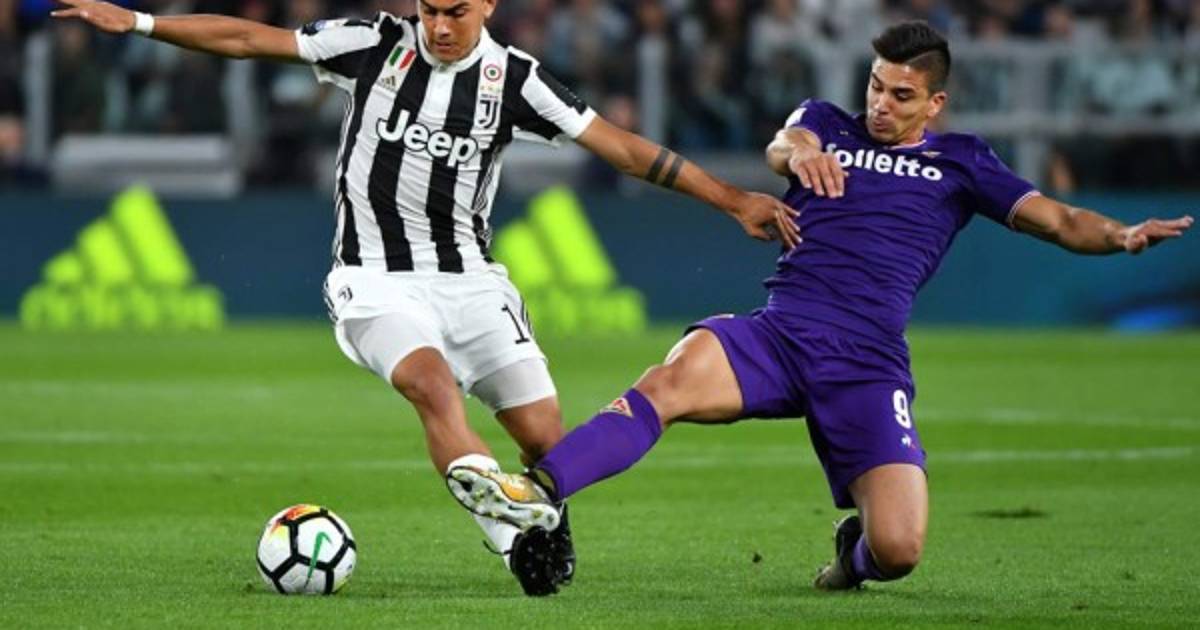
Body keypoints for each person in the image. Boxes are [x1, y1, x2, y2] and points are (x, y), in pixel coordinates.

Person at [51, 0, 799, 597]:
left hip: (471, 280)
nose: (440, 27)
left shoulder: (516, 81)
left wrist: (732, 199)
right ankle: (513, 539)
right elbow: (250, 39)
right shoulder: (372, 44)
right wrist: (140, 22)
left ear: (490, 6)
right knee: (431, 386)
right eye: (430, 10)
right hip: (373, 277)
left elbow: (626, 150)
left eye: (457, 12)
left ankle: (542, 512)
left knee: (545, 438)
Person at [446, 21, 1194, 591]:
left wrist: (1122, 235)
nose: (881, 104)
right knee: (667, 381)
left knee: (899, 550)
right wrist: (798, 150)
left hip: (868, 363)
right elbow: (786, 140)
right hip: (779, 335)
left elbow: (1060, 220)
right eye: (875, 86)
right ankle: (536, 490)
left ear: (935, 103)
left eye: (901, 95)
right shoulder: (827, 125)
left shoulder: (962, 162)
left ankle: (850, 554)